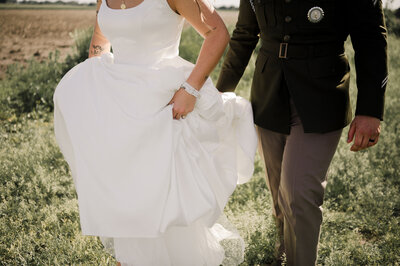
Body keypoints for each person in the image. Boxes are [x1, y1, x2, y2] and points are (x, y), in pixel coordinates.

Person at [52, 0, 258, 264]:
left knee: (161, 195)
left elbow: (217, 33)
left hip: (162, 104)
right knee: (125, 191)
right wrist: (94, 88)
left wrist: (191, 89)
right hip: (119, 103)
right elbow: (100, 40)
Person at [216, 0, 388, 265]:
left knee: (298, 193)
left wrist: (370, 110)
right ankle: (283, 257)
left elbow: (371, 39)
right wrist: (218, 95)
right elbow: (244, 35)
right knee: (280, 196)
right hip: (269, 94)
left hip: (322, 95)